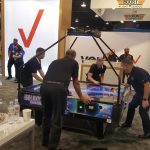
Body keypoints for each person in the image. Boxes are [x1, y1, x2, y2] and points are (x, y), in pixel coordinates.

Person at [40, 49, 90, 149]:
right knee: (57, 119)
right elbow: (75, 82)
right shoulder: (74, 63)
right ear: (74, 56)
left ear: (65, 55)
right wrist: (81, 96)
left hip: (44, 87)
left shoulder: (55, 61)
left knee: (47, 115)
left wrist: (65, 90)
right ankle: (52, 147)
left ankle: (44, 142)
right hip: (58, 90)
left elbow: (53, 77)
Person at [121, 58, 150, 138]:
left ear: (127, 65)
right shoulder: (129, 72)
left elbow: (147, 85)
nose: (122, 68)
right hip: (139, 93)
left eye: (122, 66)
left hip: (147, 94)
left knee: (142, 111)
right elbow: (129, 83)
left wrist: (145, 99)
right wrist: (123, 86)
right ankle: (128, 123)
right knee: (131, 105)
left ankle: (148, 132)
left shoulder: (139, 72)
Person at [20, 47, 45, 126]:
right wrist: (43, 81)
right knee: (27, 92)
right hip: (24, 77)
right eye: (43, 54)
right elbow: (34, 75)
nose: (44, 55)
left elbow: (40, 71)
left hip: (29, 76)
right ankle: (24, 108)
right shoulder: (34, 60)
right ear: (39, 54)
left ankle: (27, 107)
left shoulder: (38, 60)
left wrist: (47, 79)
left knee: (30, 91)